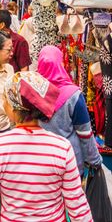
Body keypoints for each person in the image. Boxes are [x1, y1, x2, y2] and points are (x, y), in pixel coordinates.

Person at [0, 70, 93, 222]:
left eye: (5, 99)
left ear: (13, 106)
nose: (3, 103)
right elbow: (77, 204)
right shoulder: (62, 147)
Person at [37, 45, 102, 175]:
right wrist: (95, 160)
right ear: (60, 63)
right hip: (69, 161)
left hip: (40, 161)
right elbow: (84, 133)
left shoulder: (33, 93)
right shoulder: (73, 95)